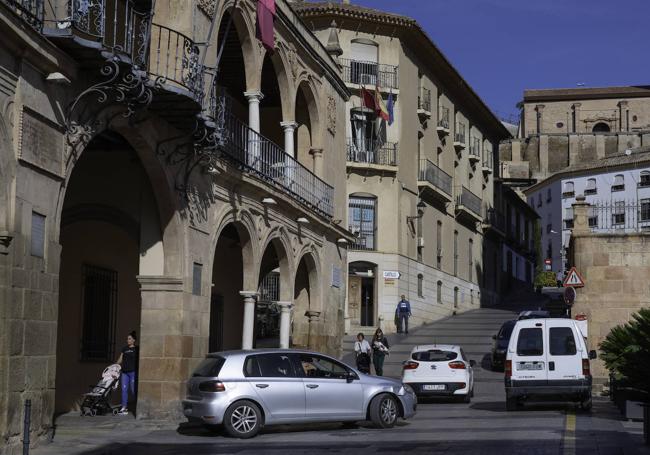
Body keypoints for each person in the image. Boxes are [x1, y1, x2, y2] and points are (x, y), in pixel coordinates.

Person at [116, 331, 138, 415]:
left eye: (129, 339)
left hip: (133, 372)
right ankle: (124, 407)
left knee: (133, 390)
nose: (127, 340)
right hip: (124, 373)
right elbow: (120, 359)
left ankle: (137, 407)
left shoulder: (136, 349)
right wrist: (115, 366)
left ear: (133, 340)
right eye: (127, 339)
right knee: (124, 390)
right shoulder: (124, 349)